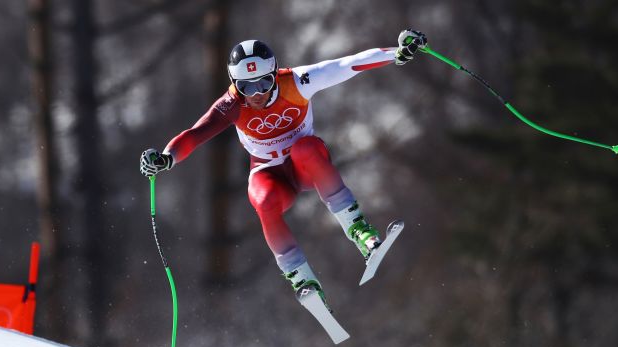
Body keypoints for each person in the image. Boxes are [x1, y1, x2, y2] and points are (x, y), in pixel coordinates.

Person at [141, 29, 428, 312]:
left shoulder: (297, 82)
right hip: (270, 175)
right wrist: (166, 158)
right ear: (234, 83)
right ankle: (301, 279)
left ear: (275, 74)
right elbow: (195, 134)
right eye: (246, 87)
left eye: (264, 83)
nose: (256, 95)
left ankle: (362, 234)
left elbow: (348, 64)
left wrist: (397, 53)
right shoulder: (231, 105)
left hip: (304, 166)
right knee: (262, 201)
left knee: (306, 148)